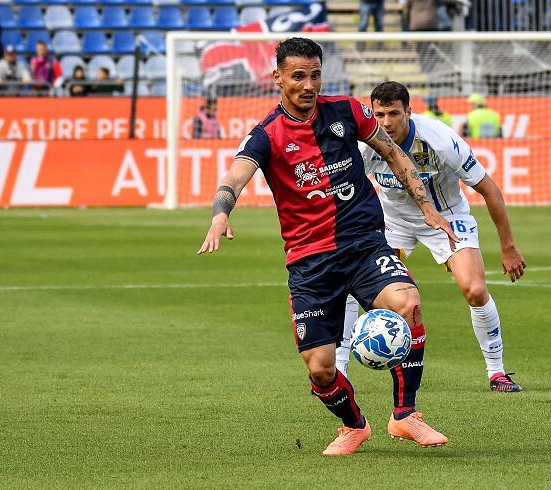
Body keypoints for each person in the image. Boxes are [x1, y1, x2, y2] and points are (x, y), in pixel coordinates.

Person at [197, 37, 457, 456]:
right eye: (298, 76)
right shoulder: (266, 135)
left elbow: (393, 152)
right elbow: (233, 178)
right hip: (310, 262)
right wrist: (220, 213)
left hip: (363, 245)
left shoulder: (348, 111)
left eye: (315, 74)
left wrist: (427, 208)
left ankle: (406, 414)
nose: (308, 84)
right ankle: (354, 426)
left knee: (408, 303)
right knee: (320, 369)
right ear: (277, 77)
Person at [336, 81, 525, 392]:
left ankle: (497, 372)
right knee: (353, 281)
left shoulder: (439, 139)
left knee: (475, 289)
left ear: (409, 111)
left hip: (446, 217)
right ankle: (340, 369)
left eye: (394, 113)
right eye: (379, 114)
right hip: (392, 220)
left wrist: (508, 247)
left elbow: (489, 189)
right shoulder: (365, 142)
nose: (386, 122)